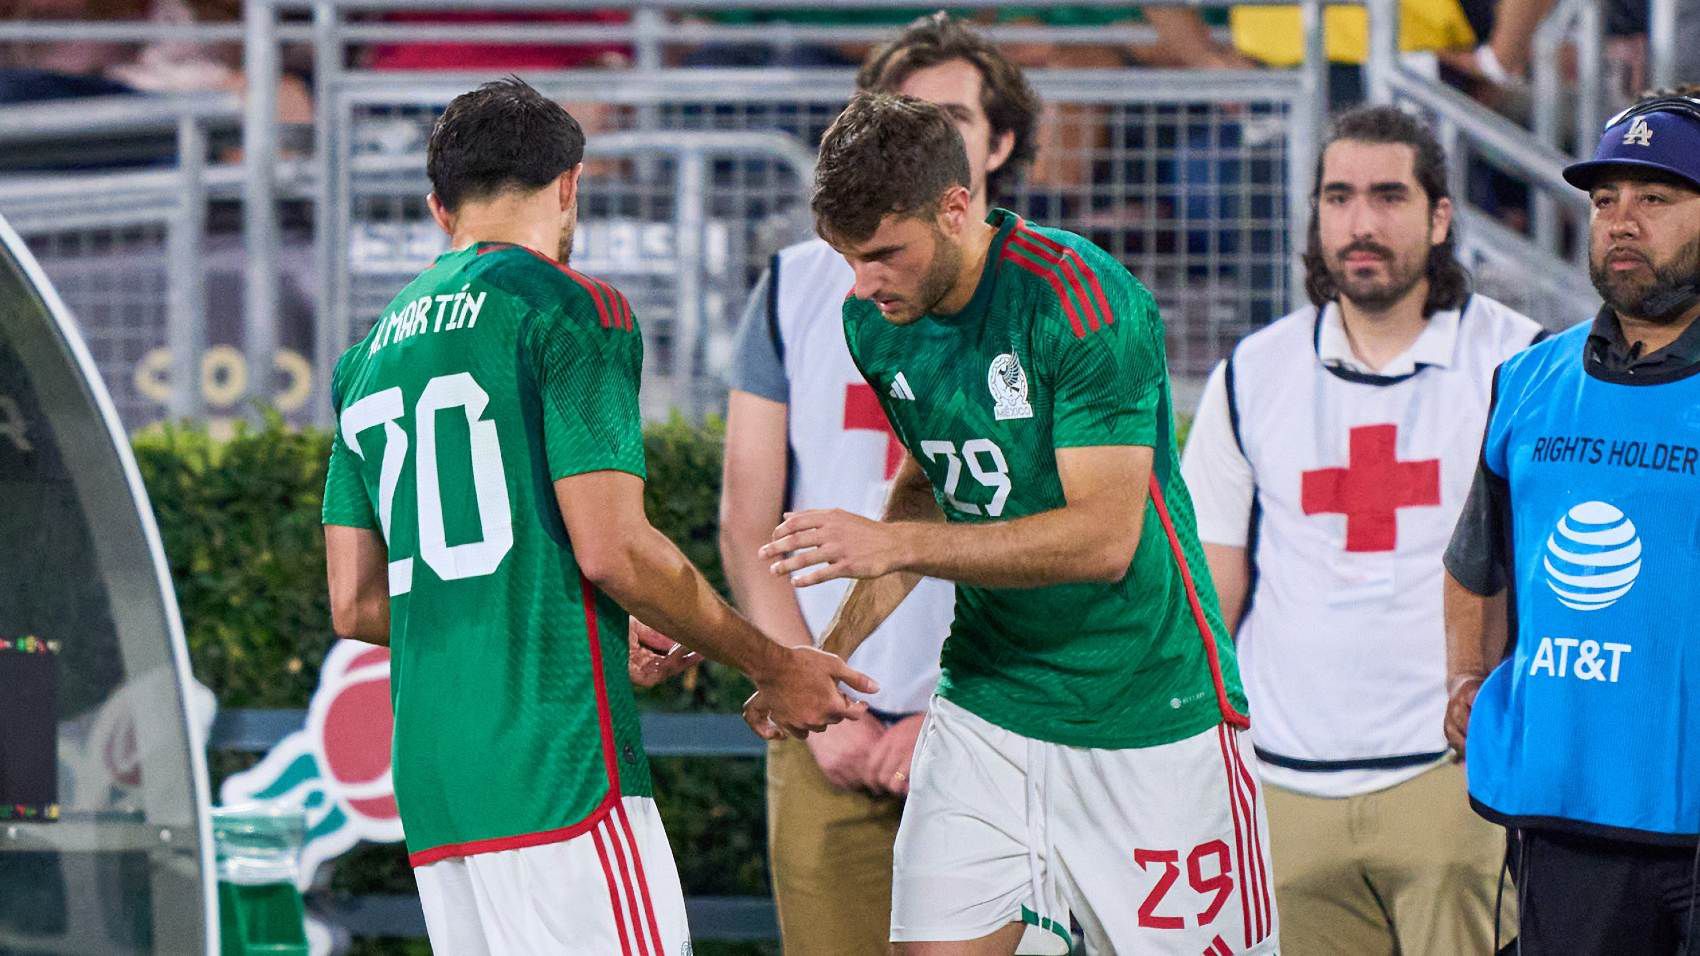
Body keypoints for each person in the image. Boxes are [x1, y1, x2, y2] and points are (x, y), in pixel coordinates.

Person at [318, 77, 873, 955]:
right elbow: (615, 551)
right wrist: (774, 663)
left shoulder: (364, 360)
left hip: (438, 789)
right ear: (570, 184)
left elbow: (353, 601)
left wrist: (585, 630)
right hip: (556, 766)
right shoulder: (569, 306)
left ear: (438, 209)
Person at [745, 91, 1278, 956]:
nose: (862, 284)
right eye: (847, 259)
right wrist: (831, 655)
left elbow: (1103, 541)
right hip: (987, 708)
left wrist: (895, 543)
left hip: (1146, 713)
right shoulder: (876, 323)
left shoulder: (1082, 301)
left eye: (884, 254)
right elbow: (929, 484)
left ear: (957, 209)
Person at [717, 14, 1040, 955]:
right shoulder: (790, 286)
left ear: (1001, 140)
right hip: (824, 719)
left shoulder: (1054, 294)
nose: (922, 141)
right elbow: (746, 519)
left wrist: (948, 712)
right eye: (901, 116)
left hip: (998, 725)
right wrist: (799, 688)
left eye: (950, 118)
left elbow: (1064, 533)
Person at [1182, 104, 1537, 955]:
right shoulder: (1252, 373)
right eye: (1338, 197)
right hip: (1282, 785)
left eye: (1388, 195)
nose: (1361, 223)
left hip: (1456, 784)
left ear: (1440, 216)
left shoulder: (1520, 364)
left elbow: (1550, 575)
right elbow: (1211, 583)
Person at [1444, 90, 1700, 955]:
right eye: (1604, 201)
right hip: (1568, 811)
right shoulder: (1530, 380)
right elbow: (1478, 557)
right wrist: (1464, 679)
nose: (1623, 222)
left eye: (1657, 198)